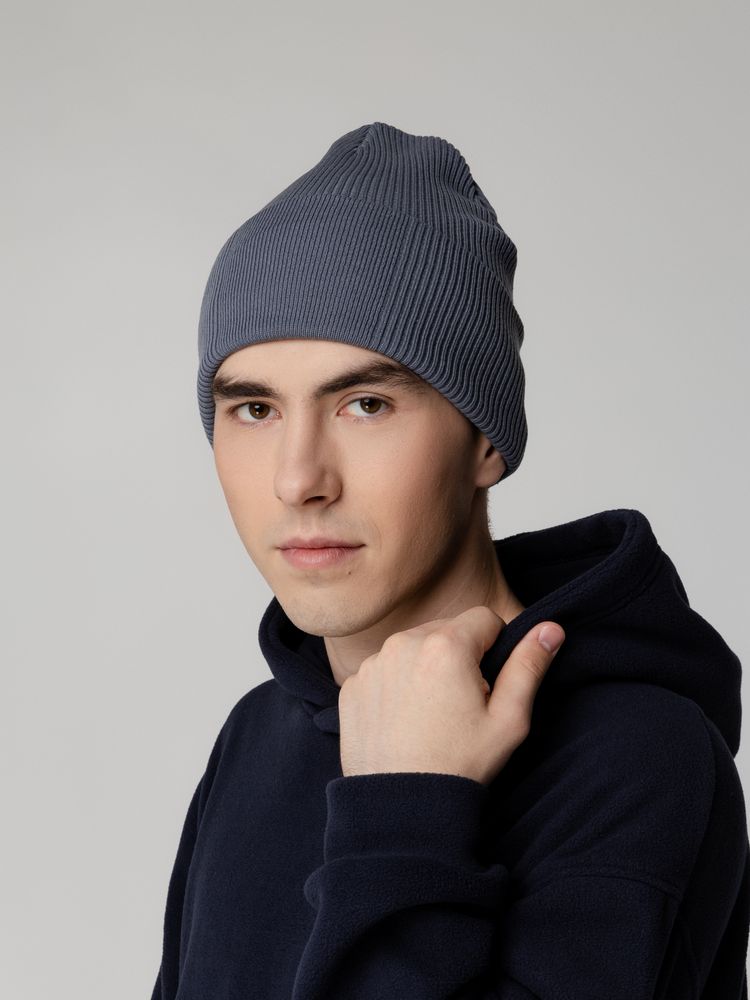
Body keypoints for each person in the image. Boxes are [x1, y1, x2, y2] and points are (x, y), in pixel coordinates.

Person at [149, 122, 749, 999]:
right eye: (254, 410)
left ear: (485, 442)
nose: (298, 479)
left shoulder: (637, 755)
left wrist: (405, 810)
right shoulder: (257, 736)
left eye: (365, 404)